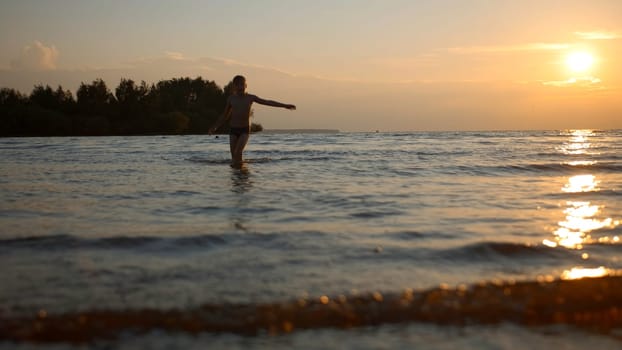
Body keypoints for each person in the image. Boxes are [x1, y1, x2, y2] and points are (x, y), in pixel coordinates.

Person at [209, 75, 296, 166]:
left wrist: (284, 105)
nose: (240, 87)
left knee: (238, 152)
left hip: (244, 130)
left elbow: (267, 102)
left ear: (246, 85)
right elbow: (224, 115)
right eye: (238, 85)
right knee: (234, 157)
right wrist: (214, 127)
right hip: (233, 129)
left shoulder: (250, 98)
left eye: (242, 84)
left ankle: (242, 176)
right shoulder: (231, 99)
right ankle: (237, 176)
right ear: (234, 86)